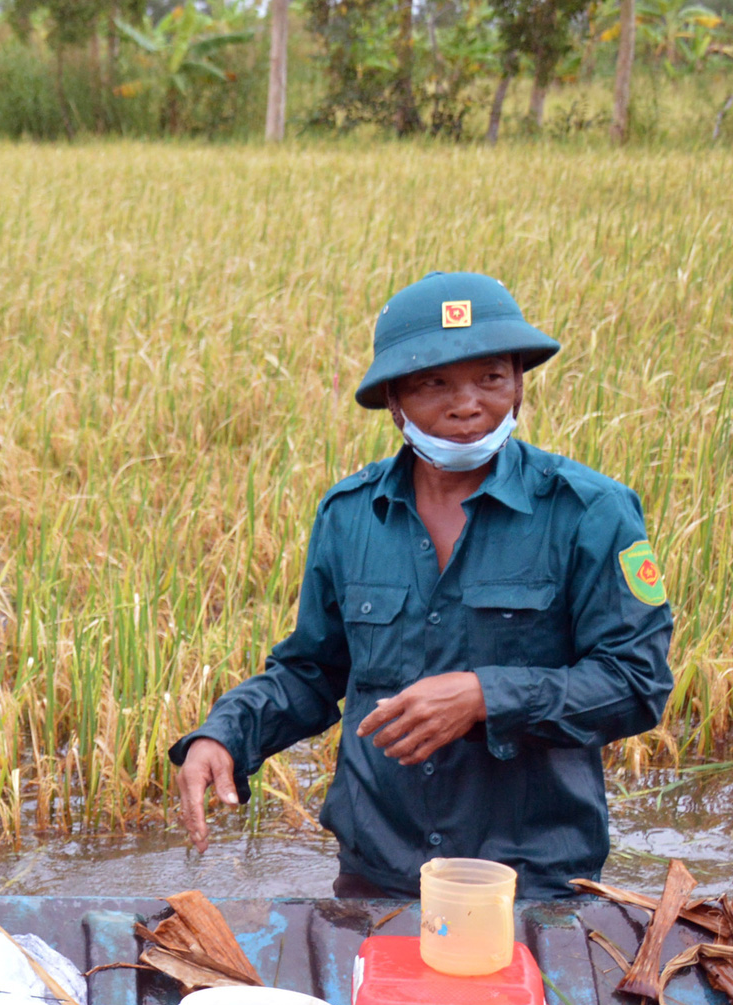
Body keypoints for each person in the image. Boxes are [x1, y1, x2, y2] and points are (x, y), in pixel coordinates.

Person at [171, 272, 673, 900]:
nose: (467, 404)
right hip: (377, 871)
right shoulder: (350, 514)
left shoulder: (590, 512)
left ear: (518, 382)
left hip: (533, 883)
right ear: (393, 400)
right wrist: (226, 732)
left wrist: (487, 696)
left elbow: (636, 683)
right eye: (434, 383)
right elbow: (313, 671)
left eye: (490, 377)